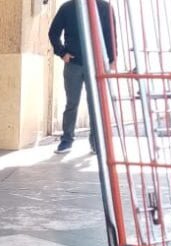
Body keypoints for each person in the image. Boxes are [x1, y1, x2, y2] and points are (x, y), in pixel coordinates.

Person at [49, 0, 116, 154]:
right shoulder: (67, 7)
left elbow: (111, 35)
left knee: (96, 105)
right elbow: (53, 32)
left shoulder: (105, 7)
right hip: (73, 63)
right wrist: (62, 52)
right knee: (72, 103)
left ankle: (96, 142)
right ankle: (66, 141)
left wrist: (112, 60)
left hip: (97, 64)